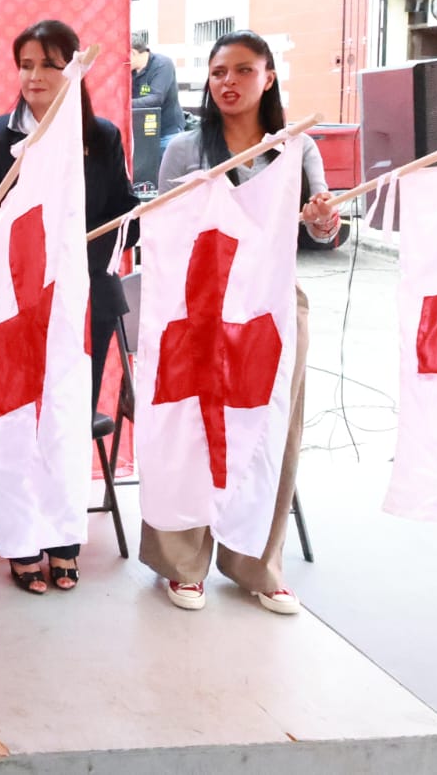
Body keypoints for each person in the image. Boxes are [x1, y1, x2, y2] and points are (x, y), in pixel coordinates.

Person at [143, 30, 339, 615]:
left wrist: (321, 218)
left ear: (269, 77)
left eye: (243, 70)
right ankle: (181, 562)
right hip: (197, 309)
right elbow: (165, 229)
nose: (228, 82)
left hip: (267, 309)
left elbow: (321, 230)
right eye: (218, 71)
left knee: (266, 427)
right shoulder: (184, 149)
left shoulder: (294, 148)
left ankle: (256, 561)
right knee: (186, 426)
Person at [0, 19, 140, 595]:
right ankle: (21, 539)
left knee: (67, 422)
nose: (34, 75)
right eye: (26, 64)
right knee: (18, 424)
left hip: (80, 304)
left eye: (47, 63)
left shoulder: (104, 135)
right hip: (17, 305)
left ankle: (63, 540)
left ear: (74, 69)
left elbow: (123, 213)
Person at [131, 33, 184, 153]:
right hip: (143, 133)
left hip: (166, 132)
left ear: (133, 53)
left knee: (168, 170)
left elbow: (156, 99)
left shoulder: (162, 64)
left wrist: (123, 105)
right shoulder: (129, 71)